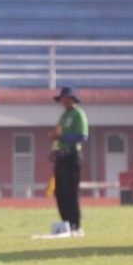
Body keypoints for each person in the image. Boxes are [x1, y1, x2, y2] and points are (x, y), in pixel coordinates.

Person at [48, 86, 89, 237]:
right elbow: (58, 134)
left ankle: (75, 224)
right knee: (60, 191)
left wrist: (61, 138)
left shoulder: (79, 115)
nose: (63, 101)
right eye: (62, 99)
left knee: (71, 191)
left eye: (66, 98)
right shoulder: (63, 116)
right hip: (61, 156)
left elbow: (82, 137)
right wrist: (54, 149)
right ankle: (65, 223)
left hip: (72, 155)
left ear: (73, 99)